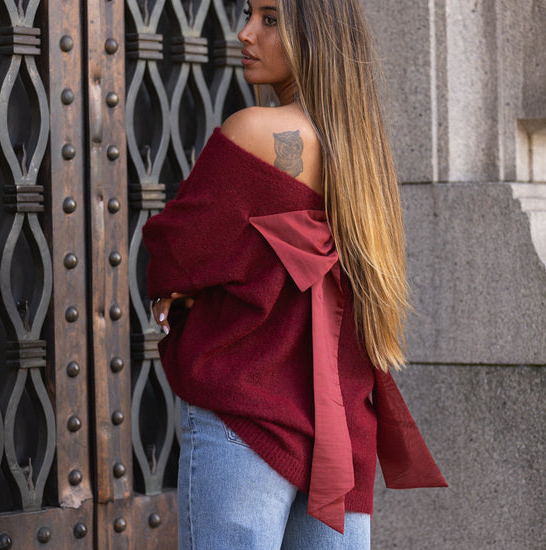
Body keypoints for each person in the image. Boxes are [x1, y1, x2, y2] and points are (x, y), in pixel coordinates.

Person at [142, 0, 447, 548]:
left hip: (247, 416)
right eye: (249, 14)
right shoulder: (364, 160)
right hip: (342, 436)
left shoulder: (254, 131)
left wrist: (187, 286)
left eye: (270, 19)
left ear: (315, 34)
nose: (245, 33)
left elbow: (173, 250)